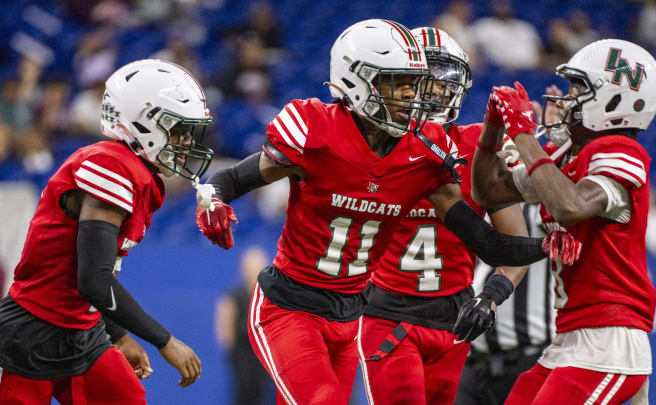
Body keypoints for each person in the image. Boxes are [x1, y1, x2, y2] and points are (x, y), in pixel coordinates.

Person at [196, 19, 578, 405]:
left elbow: (491, 244)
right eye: (402, 83)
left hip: (353, 314)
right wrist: (211, 198)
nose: (415, 95)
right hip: (301, 305)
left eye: (416, 83)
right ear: (360, 82)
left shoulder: (427, 156)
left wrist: (545, 245)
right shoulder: (317, 132)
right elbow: (234, 178)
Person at [0, 59, 214, 404]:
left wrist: (116, 333)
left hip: (82, 329)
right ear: (143, 123)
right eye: (177, 130)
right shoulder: (109, 165)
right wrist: (164, 340)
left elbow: (88, 274)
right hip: (34, 332)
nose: (185, 142)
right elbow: (94, 280)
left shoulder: (135, 173)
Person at [464, 39, 656, 404]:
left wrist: (523, 134)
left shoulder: (621, 150)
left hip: (608, 342)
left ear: (613, 100)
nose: (569, 99)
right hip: (568, 338)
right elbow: (487, 191)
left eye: (579, 89)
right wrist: (494, 128)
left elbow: (569, 206)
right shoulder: (572, 156)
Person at [357, 27, 530, 405]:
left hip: (454, 318)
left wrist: (491, 298)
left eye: (442, 80)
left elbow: (513, 249)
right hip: (389, 313)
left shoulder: (477, 149)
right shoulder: (375, 144)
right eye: (424, 81)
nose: (434, 92)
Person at [455, 203, 555, 405]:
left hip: (527, 359)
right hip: (471, 361)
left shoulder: (539, 207)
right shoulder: (476, 205)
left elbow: (570, 208)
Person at [215, 246, 274, 405]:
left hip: (263, 356)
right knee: (244, 391)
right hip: (241, 355)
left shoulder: (270, 299)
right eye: (250, 268)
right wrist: (232, 352)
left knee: (261, 393)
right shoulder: (233, 297)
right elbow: (225, 328)